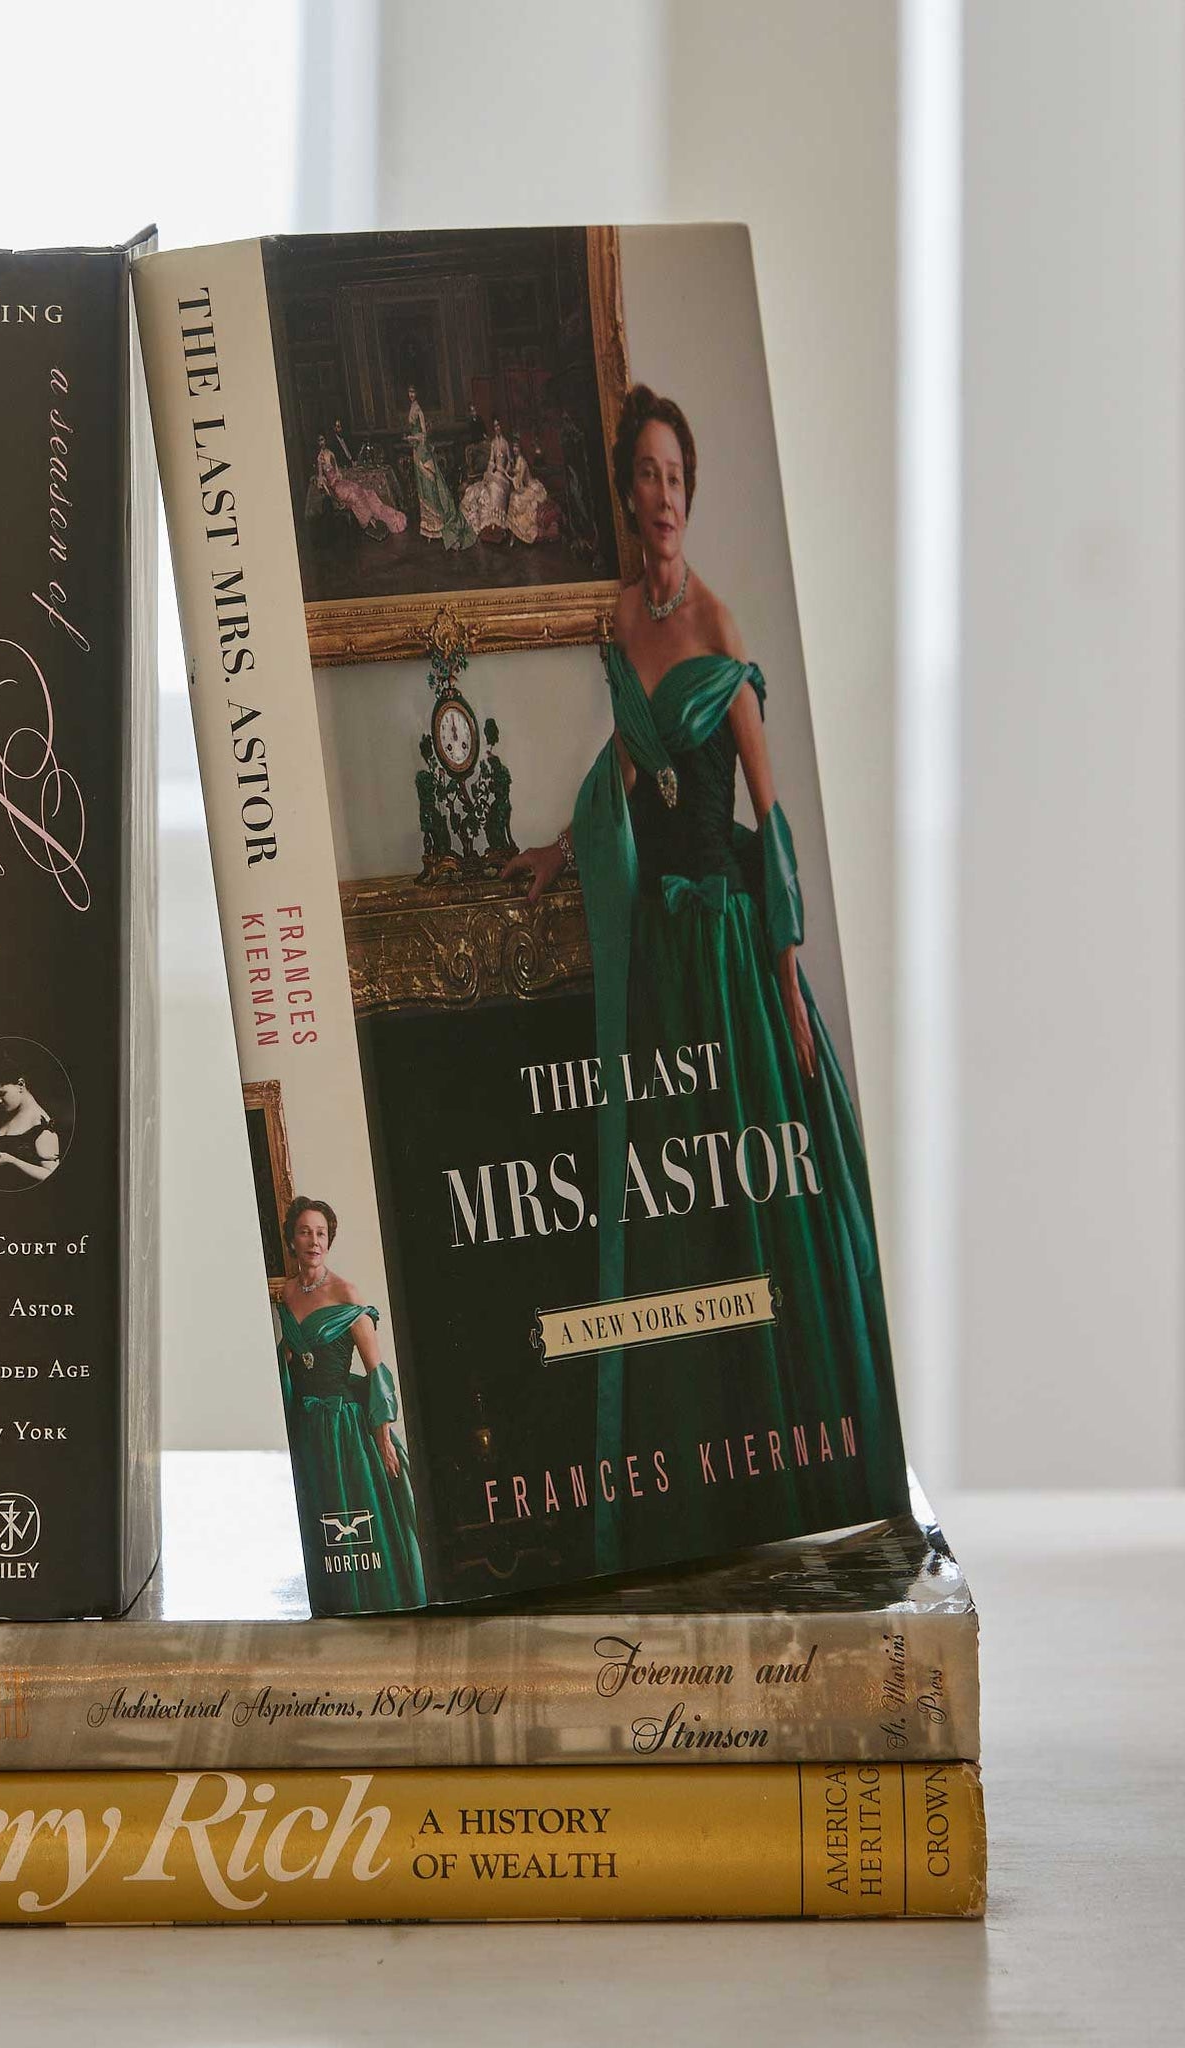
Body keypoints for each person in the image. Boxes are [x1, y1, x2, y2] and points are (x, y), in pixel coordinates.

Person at [502, 383, 903, 1569]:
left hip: (727, 947)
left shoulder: (719, 623)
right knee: (680, 1191)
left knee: (748, 1183)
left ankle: (788, 1472)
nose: (663, 493)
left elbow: (767, 819)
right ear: (626, 495)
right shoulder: (620, 616)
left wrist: (784, 974)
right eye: (646, 474)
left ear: (690, 492)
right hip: (661, 951)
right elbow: (630, 764)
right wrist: (559, 847)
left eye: (676, 475)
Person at [274, 1196, 425, 1610]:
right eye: (305, 1232)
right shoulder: (287, 1293)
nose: (314, 1241)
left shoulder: (345, 1293)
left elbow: (376, 1371)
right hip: (305, 1425)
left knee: (351, 1517)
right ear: (292, 1240)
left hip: (342, 1427)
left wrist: (384, 1437)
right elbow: (293, 1355)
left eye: (321, 1233)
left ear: (329, 1240)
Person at [404, 386, 474, 550]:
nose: (411, 395)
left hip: (423, 451)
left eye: (413, 392)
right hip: (416, 451)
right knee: (423, 488)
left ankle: (438, 525)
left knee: (430, 487)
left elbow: (424, 435)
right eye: (409, 392)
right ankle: (429, 527)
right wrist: (411, 440)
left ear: (417, 393)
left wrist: (412, 438)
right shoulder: (411, 408)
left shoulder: (419, 410)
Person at [0, 1075, 62, 1185]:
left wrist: (12, 1160)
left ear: (21, 1084)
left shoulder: (42, 1125)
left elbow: (50, 1174)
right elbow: (2, 1152)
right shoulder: (6, 1113)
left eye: (2, 1094)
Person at [313, 435, 406, 537]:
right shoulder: (320, 458)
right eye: (320, 440)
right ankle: (368, 521)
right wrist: (331, 491)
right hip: (335, 488)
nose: (322, 442)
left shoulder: (330, 453)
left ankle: (375, 518)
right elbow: (321, 478)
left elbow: (337, 471)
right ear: (317, 442)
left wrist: (338, 477)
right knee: (354, 494)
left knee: (361, 490)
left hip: (340, 482)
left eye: (323, 439)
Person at [459, 418, 512, 538]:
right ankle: (482, 526)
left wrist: (505, 471)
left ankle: (494, 525)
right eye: (495, 426)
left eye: (498, 425)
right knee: (477, 490)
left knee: (493, 489)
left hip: (502, 477)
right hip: (493, 474)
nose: (497, 428)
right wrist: (488, 474)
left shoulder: (505, 444)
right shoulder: (493, 443)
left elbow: (509, 461)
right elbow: (491, 462)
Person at [502, 434, 551, 544]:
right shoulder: (517, 460)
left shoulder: (522, 461)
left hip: (531, 487)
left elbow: (519, 484)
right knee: (513, 497)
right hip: (524, 487)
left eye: (517, 447)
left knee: (517, 499)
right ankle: (513, 532)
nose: (515, 449)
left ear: (520, 448)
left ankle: (517, 533)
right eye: (513, 447)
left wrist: (507, 475)